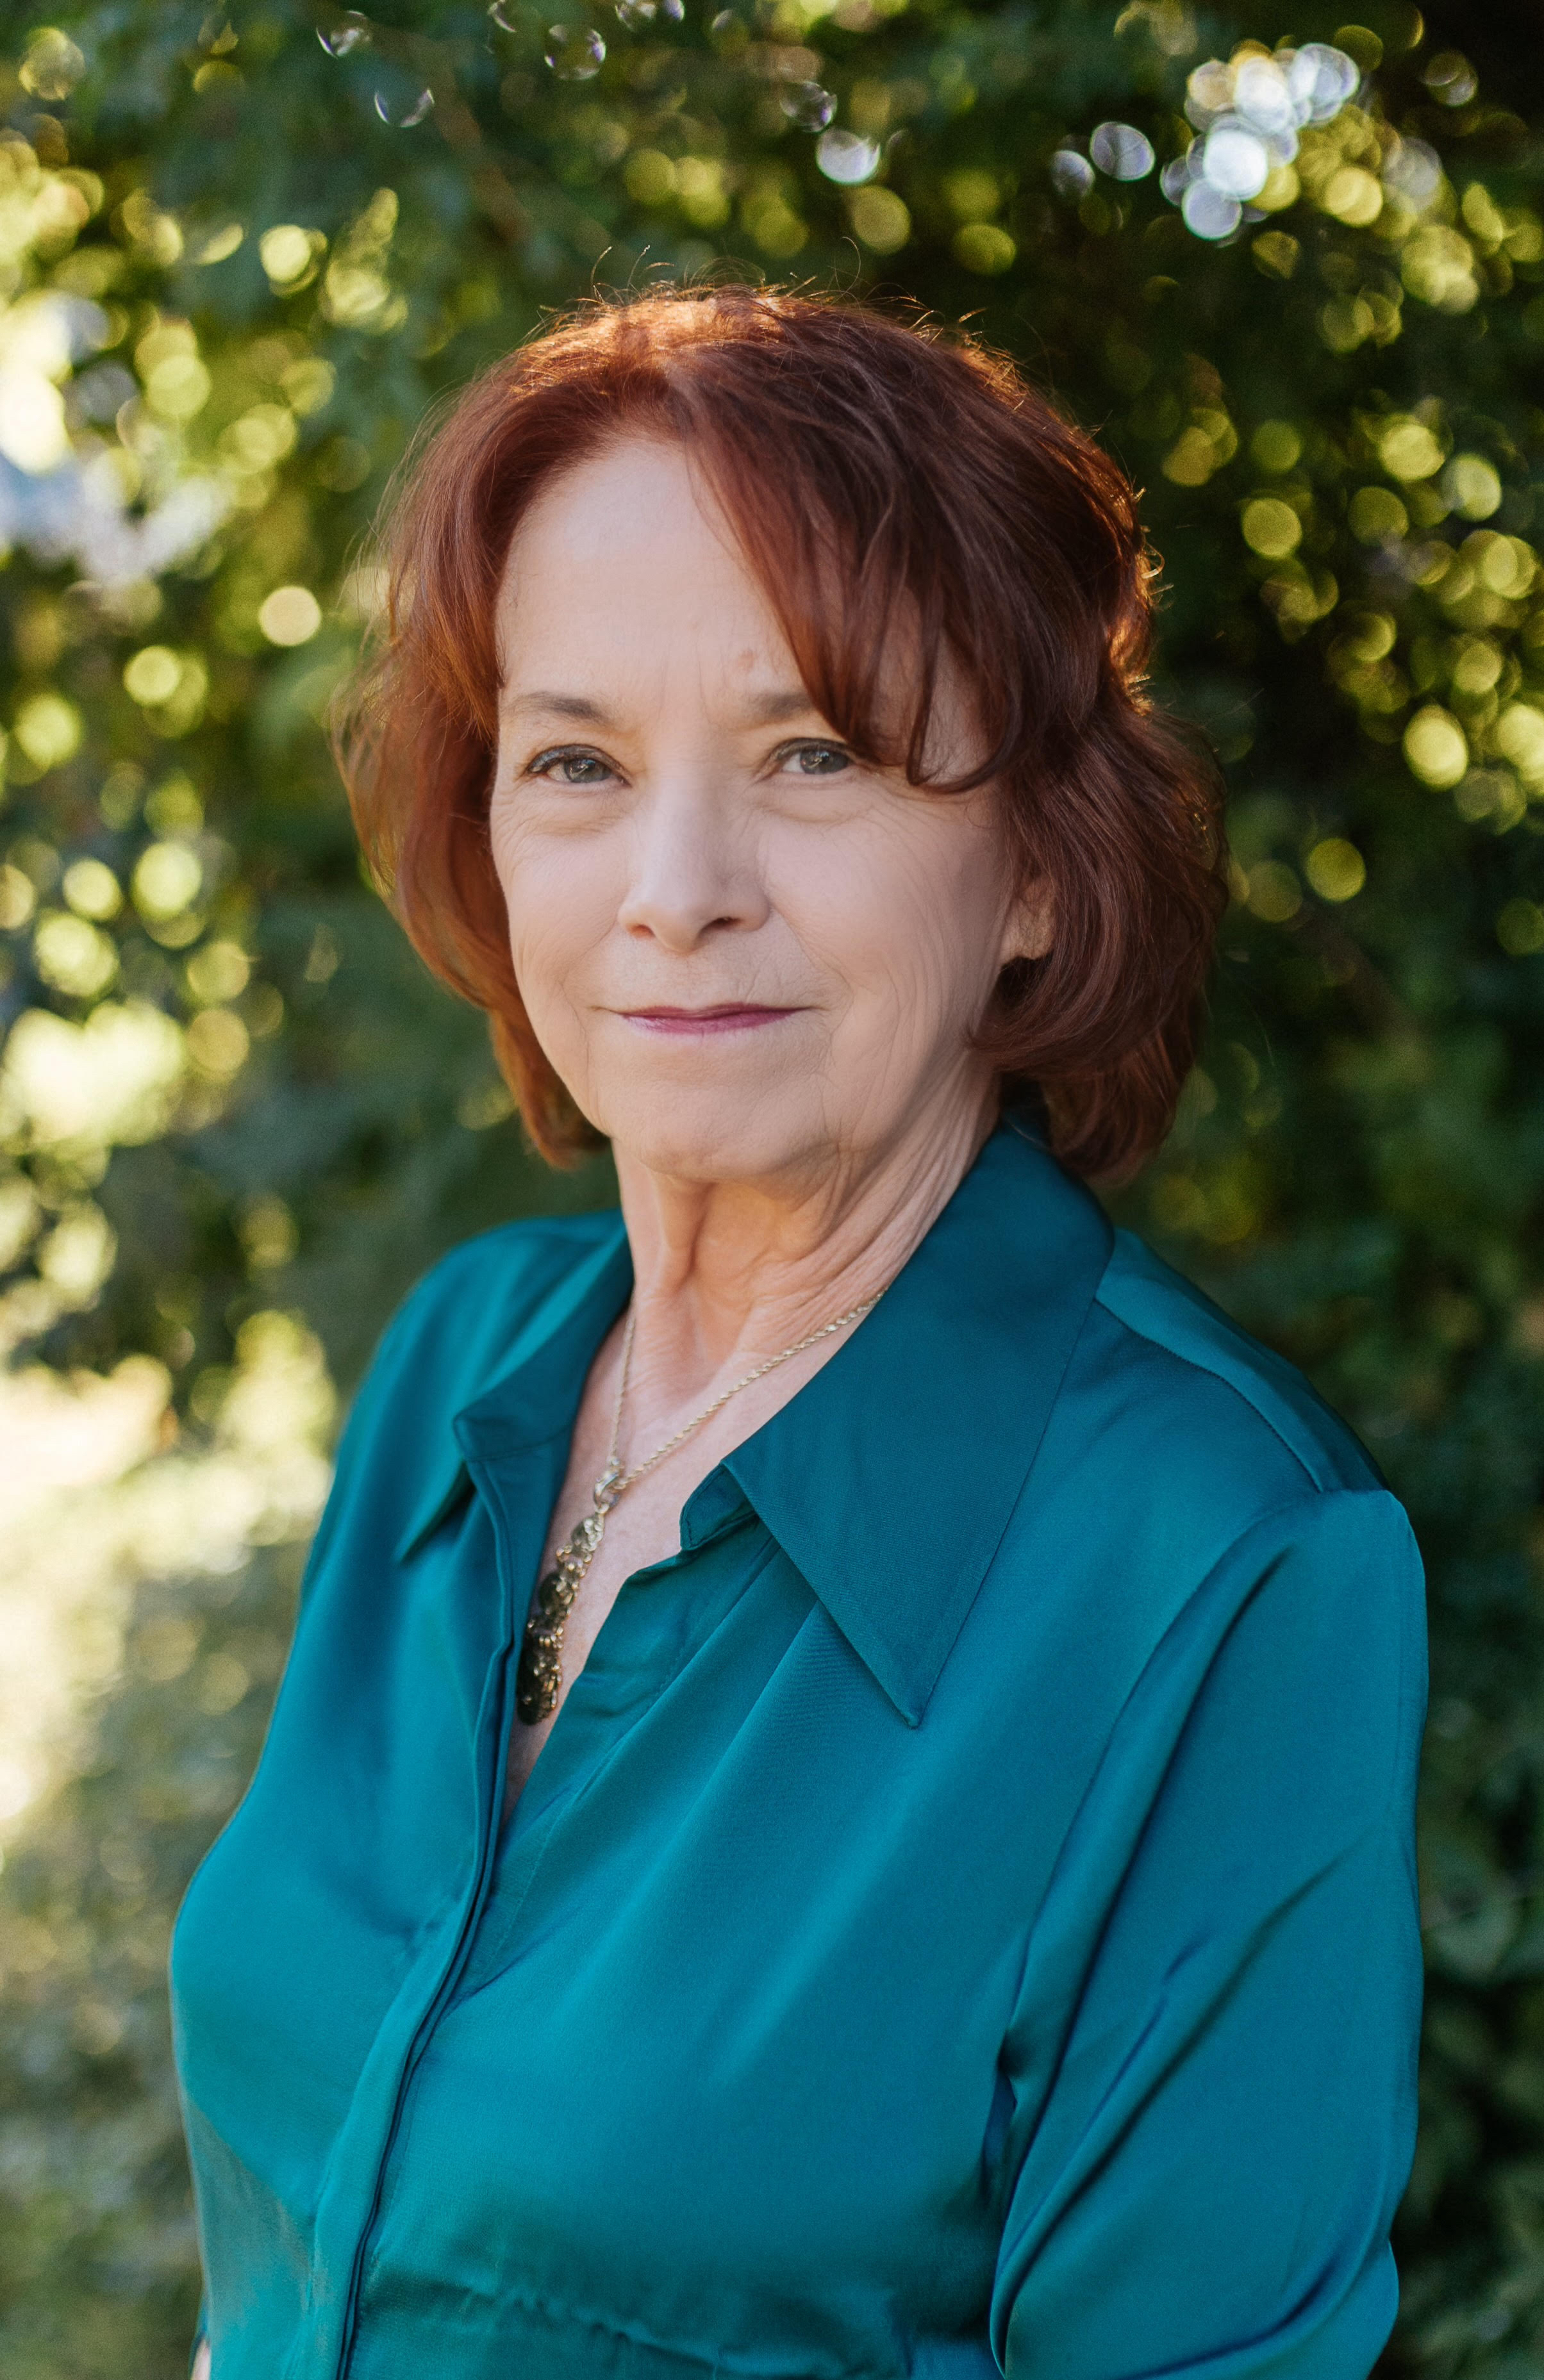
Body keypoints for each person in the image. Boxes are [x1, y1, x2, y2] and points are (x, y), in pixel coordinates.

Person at [170, 285, 1425, 2380]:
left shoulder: (1225, 1571)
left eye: (811, 753)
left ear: (1032, 861)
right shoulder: (458, 1369)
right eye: (574, 758)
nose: (675, 884)